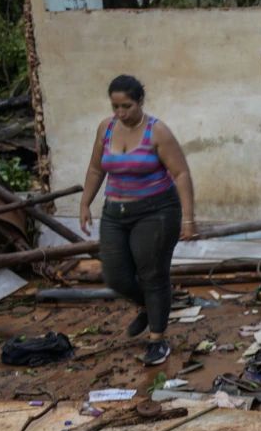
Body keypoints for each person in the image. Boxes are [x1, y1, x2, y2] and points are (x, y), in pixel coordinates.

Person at [78, 75, 198, 366]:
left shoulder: (158, 132)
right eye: (116, 106)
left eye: (127, 106)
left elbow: (181, 174)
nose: (121, 113)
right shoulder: (106, 128)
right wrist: (85, 203)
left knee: (153, 274)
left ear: (141, 101)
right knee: (115, 275)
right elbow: (96, 169)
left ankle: (157, 340)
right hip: (115, 212)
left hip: (156, 211)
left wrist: (189, 219)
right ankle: (148, 305)